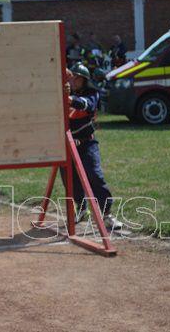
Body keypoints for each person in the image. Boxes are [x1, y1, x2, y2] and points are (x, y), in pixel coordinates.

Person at [60, 63, 123, 229]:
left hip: (87, 143)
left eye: (78, 78)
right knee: (70, 181)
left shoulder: (92, 94)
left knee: (95, 175)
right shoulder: (63, 93)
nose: (74, 81)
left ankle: (107, 214)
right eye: (72, 77)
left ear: (84, 80)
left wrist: (68, 98)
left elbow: (86, 105)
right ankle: (81, 209)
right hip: (67, 145)